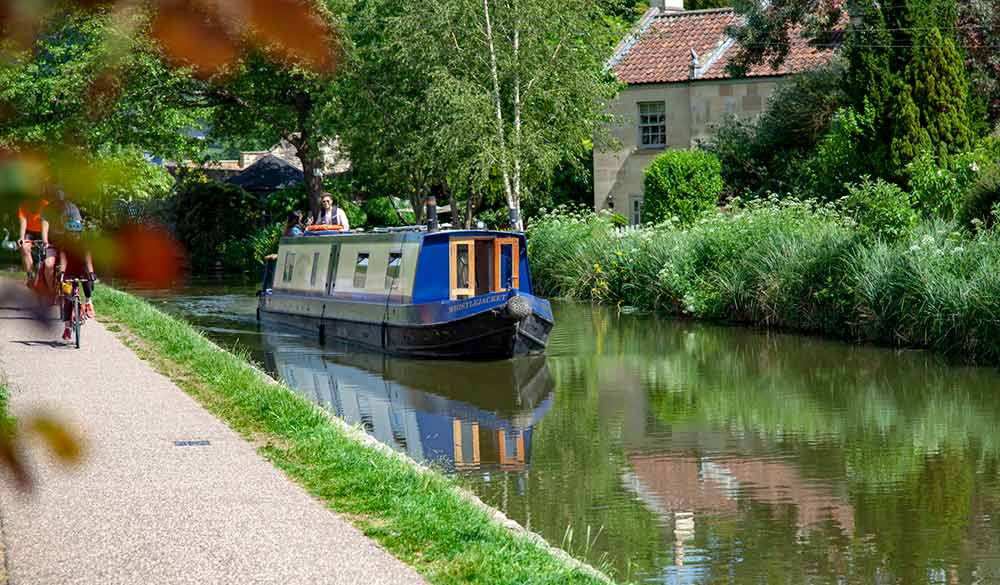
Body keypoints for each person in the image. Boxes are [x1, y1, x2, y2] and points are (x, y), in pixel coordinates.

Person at [57, 219, 96, 341]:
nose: (74, 236)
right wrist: (62, 273)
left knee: (88, 281)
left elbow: (88, 259)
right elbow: (63, 260)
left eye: (76, 233)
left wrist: (91, 272)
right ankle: (67, 328)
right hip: (69, 271)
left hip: (82, 269)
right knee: (68, 298)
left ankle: (88, 302)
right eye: (71, 233)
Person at [17, 197, 51, 286]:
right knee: (24, 247)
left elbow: (45, 224)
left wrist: (45, 241)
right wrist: (21, 238)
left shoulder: (45, 205)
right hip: (30, 231)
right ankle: (29, 275)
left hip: (43, 231)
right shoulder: (23, 205)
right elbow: (23, 224)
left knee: (47, 249)